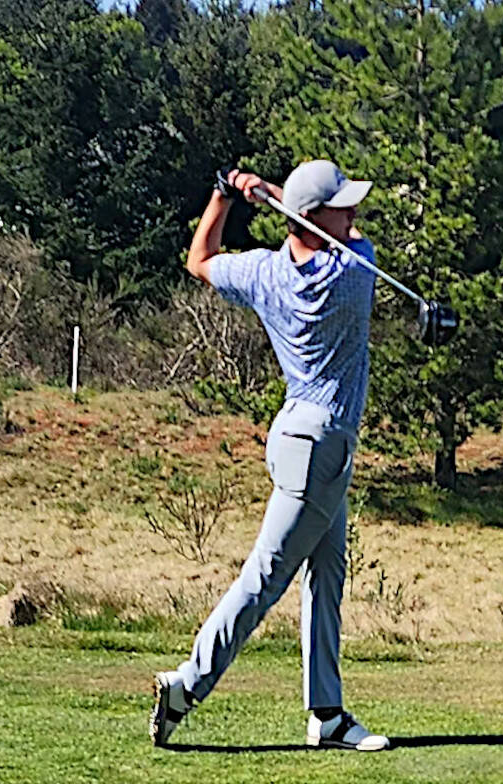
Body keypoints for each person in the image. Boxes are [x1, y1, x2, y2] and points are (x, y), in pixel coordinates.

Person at [150, 159, 389, 751]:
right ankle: (187, 684)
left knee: (327, 571)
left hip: (297, 437)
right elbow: (352, 238)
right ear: (313, 218)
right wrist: (273, 194)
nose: (353, 213)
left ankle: (327, 713)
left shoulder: (263, 272)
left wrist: (226, 196)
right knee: (265, 577)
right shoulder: (352, 271)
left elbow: (199, 260)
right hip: (321, 447)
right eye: (342, 206)